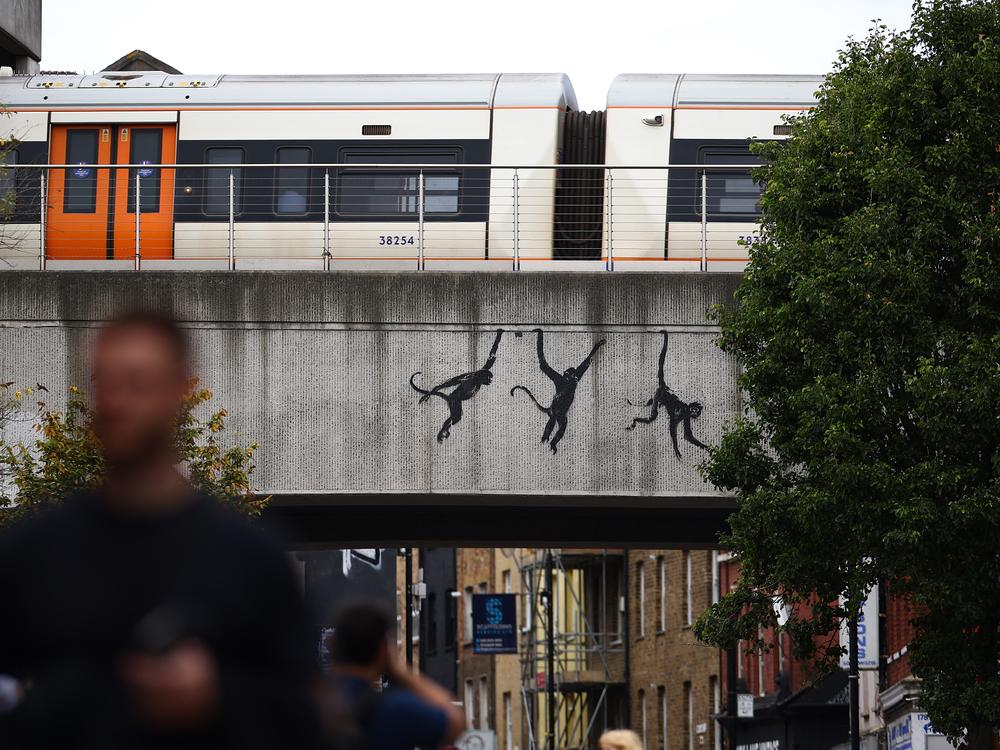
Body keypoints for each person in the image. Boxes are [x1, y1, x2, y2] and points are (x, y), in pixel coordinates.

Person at [0, 311, 323, 750]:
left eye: (136, 383)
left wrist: (218, 697)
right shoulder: (35, 553)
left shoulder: (247, 559)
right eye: (104, 383)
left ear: (179, 392)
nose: (115, 402)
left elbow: (307, 718)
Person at [324, 600, 466, 750]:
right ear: (383, 651)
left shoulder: (311, 703)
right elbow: (454, 722)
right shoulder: (396, 709)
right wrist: (399, 671)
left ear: (333, 646)